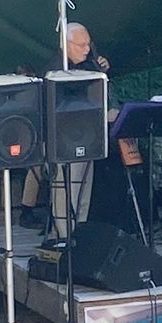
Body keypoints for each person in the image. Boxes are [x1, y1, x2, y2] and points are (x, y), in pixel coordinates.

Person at [38, 22, 113, 236]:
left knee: (83, 189)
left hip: (85, 137)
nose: (87, 49)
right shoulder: (54, 70)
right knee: (65, 191)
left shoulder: (87, 64)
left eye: (89, 44)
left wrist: (101, 70)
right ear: (66, 44)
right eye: (81, 45)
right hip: (62, 141)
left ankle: (79, 231)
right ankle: (63, 236)